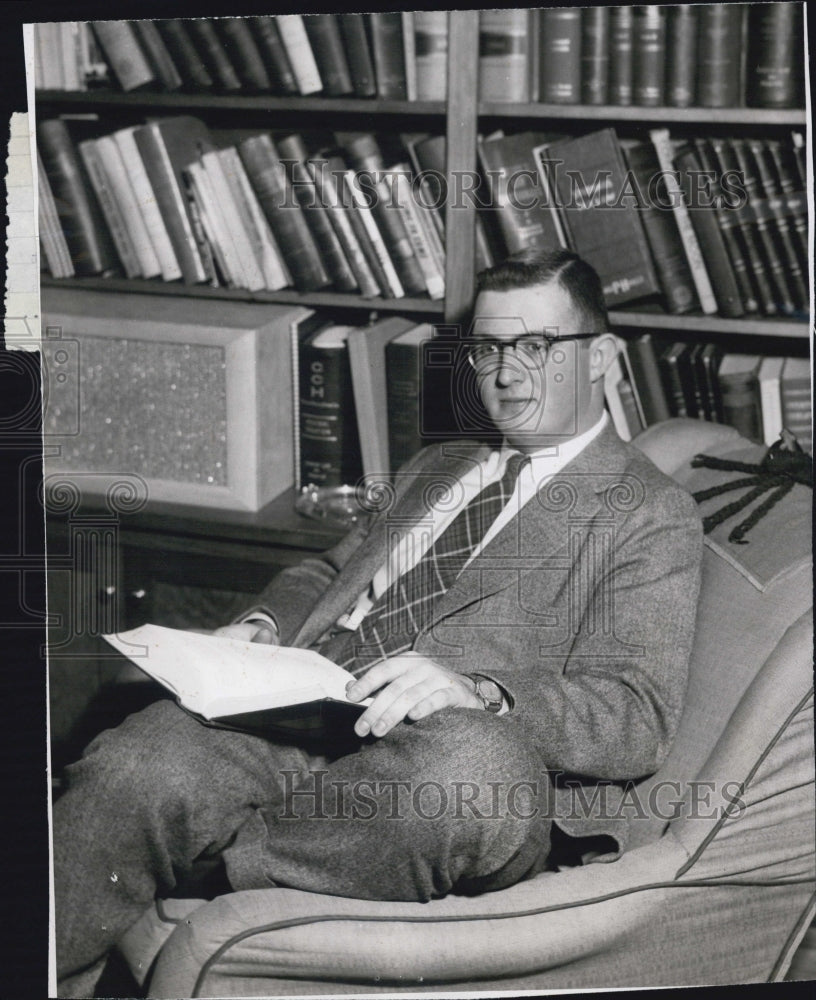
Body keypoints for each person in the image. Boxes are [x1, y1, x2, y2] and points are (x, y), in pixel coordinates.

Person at [53, 249, 703, 997]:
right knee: (138, 761)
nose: (507, 372)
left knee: (476, 778)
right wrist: (264, 624)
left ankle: (223, 873)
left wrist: (480, 690)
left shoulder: (648, 512)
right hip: (303, 707)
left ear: (602, 359)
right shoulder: (442, 463)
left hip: (433, 758)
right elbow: (330, 573)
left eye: (537, 346)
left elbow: (637, 711)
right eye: (490, 347)